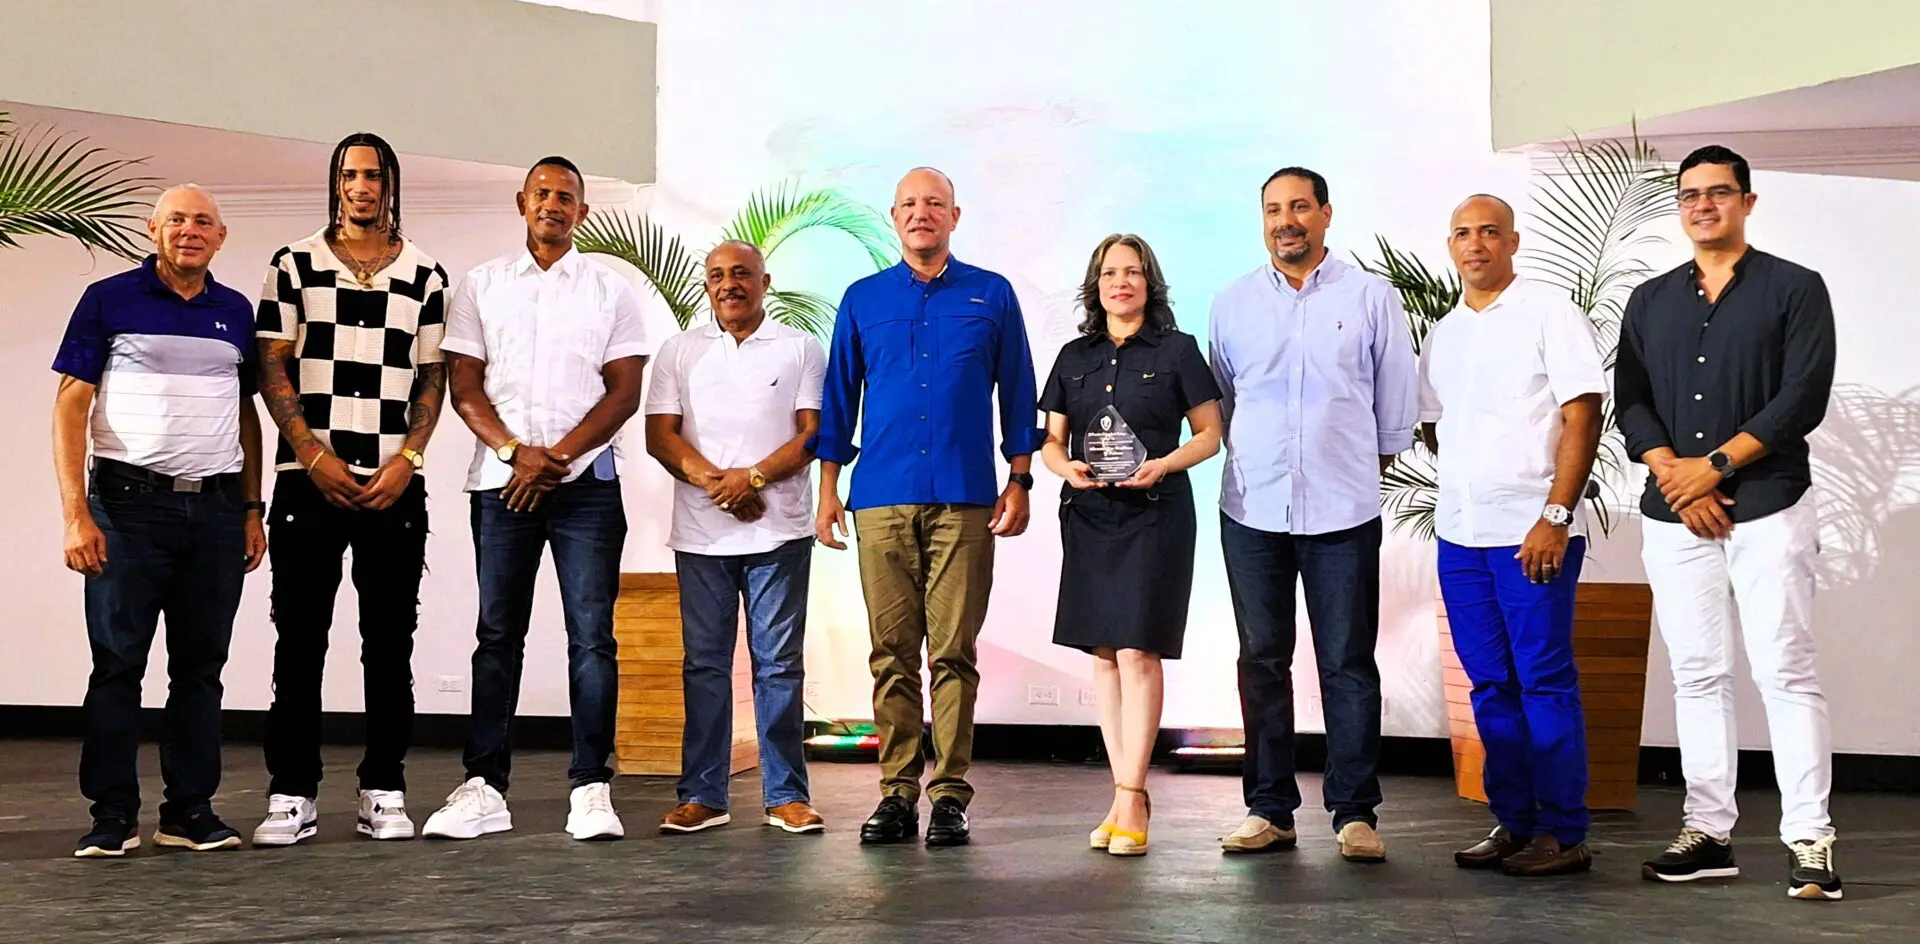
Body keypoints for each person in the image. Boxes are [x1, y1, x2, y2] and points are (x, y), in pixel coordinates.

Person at [1616, 145, 1841, 900]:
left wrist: (1711, 469)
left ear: (1748, 201)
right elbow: (1633, 402)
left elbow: (1801, 398)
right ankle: (1709, 832)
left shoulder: (1795, 289)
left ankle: (1810, 839)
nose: (1702, 205)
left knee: (1785, 669)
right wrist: (1678, 478)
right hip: (1674, 512)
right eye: (1689, 195)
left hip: (1769, 503)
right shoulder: (1650, 302)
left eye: (1718, 193)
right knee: (1699, 675)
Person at [422, 156, 653, 842]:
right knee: (497, 637)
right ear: (522, 202)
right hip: (502, 487)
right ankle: (484, 787)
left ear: (582, 212)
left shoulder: (611, 291)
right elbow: (465, 384)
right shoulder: (482, 286)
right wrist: (513, 454)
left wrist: (558, 459)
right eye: (543, 193)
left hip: (587, 492)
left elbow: (624, 390)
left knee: (592, 639)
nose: (553, 204)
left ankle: (590, 787)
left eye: (568, 197)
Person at [813, 167, 1043, 846]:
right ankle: (895, 793)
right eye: (911, 204)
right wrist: (828, 489)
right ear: (894, 216)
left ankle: (949, 795)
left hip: (966, 498)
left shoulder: (990, 295)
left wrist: (1021, 478)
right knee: (891, 654)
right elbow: (837, 400)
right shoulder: (861, 300)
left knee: (953, 652)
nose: (923, 214)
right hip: (879, 498)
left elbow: (1018, 388)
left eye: (934, 204)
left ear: (955, 216)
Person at [53, 184, 268, 857]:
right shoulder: (108, 300)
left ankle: (188, 813)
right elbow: (69, 407)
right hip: (125, 509)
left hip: (214, 509)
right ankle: (112, 815)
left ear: (221, 236)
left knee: (201, 669)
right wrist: (75, 516)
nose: (190, 230)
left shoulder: (235, 312)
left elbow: (245, 416)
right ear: (154, 229)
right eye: (177, 220)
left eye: (204, 221)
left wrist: (251, 507)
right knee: (117, 665)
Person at [1209, 167, 1416, 861]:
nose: (1285, 220)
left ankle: (1354, 813)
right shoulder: (1232, 302)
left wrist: (1353, 468)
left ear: (1326, 214)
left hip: (1343, 511)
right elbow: (1222, 404)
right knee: (1261, 662)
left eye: (1299, 206)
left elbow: (1394, 411)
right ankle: (1269, 809)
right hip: (1253, 509)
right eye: (1273, 209)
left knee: (1348, 663)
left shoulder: (1371, 298)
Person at [250, 132, 449, 847]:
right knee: (299, 642)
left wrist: (410, 459)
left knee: (389, 644)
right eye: (350, 175)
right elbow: (271, 362)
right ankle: (292, 793)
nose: (361, 187)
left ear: (392, 184)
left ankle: (383, 788)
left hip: (394, 484)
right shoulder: (295, 263)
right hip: (309, 484)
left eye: (373, 176)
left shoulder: (426, 273)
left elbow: (432, 376)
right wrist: (309, 451)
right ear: (336, 184)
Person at [1418, 195, 1605, 877]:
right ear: (1451, 245)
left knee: (1543, 680)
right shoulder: (1443, 333)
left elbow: (1583, 415)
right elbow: (1433, 426)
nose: (1476, 245)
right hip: (1460, 537)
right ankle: (1515, 822)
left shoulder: (1548, 313)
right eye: (1463, 233)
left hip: (1533, 532)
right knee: (1490, 684)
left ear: (1513, 241)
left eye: (1489, 232)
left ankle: (1564, 831)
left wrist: (1554, 514)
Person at [1038, 234, 1222, 857]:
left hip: (1155, 512)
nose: (1122, 283)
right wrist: (1065, 470)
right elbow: (1052, 443)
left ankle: (1132, 796)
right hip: (1089, 516)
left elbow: (1210, 436)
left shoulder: (1177, 350)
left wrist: (1165, 463)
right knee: (1104, 658)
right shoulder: (1072, 355)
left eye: (1134, 272)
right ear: (1097, 284)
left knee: (1140, 652)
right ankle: (1122, 795)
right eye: (1111, 273)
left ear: (1150, 282)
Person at [644, 241, 827, 836]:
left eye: (742, 274)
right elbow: (660, 436)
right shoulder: (679, 351)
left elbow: (811, 435)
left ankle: (785, 796)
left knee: (778, 666)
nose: (730, 284)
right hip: (701, 535)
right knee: (704, 665)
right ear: (707, 286)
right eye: (718, 275)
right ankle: (703, 795)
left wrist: (751, 479)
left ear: (765, 282)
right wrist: (719, 484)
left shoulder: (800, 348)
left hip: (779, 531)